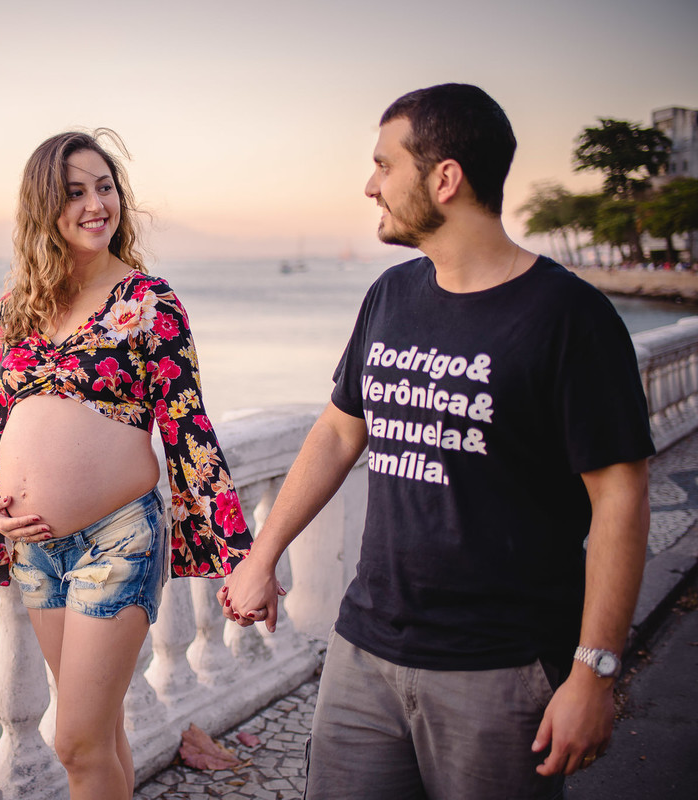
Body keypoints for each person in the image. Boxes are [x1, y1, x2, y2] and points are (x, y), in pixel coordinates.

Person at [220, 84, 654, 799]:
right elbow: (336, 431)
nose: (370, 185)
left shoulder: (570, 318)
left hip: (502, 668)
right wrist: (262, 555)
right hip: (365, 649)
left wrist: (593, 673)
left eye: (384, 165)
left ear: (444, 178)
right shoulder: (390, 296)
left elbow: (621, 500)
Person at [0, 128, 253, 800]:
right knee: (98, 737)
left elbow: (187, 425)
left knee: (73, 741)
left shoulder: (149, 304)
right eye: (75, 192)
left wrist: (240, 552)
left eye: (105, 188)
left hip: (118, 539)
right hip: (36, 545)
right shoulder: (20, 307)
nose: (97, 204)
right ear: (45, 209)